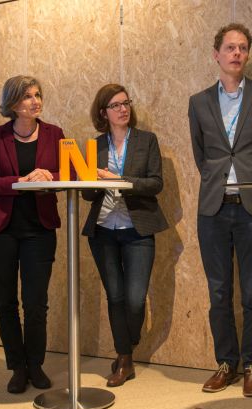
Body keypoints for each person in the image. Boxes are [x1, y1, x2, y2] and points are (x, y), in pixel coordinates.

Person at [188, 24, 252, 396]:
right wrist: (220, 180)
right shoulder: (198, 102)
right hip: (212, 208)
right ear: (217, 54)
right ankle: (225, 363)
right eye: (230, 47)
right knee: (218, 292)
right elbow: (202, 155)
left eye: (243, 48)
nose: (237, 54)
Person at [0, 75, 65, 394]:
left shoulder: (55, 134)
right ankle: (17, 366)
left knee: (36, 302)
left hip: (39, 229)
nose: (35, 101)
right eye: (27, 96)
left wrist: (48, 175)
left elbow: (66, 173)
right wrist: (20, 181)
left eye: (38, 94)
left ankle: (36, 364)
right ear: (13, 103)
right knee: (5, 302)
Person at [82, 84, 168, 387]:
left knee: (133, 299)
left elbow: (155, 183)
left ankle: (125, 346)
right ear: (103, 112)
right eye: (116, 105)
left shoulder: (147, 141)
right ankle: (125, 359)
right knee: (115, 296)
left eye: (126, 103)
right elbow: (88, 195)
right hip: (103, 230)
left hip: (138, 228)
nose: (123, 109)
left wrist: (117, 179)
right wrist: (91, 180)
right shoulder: (95, 146)